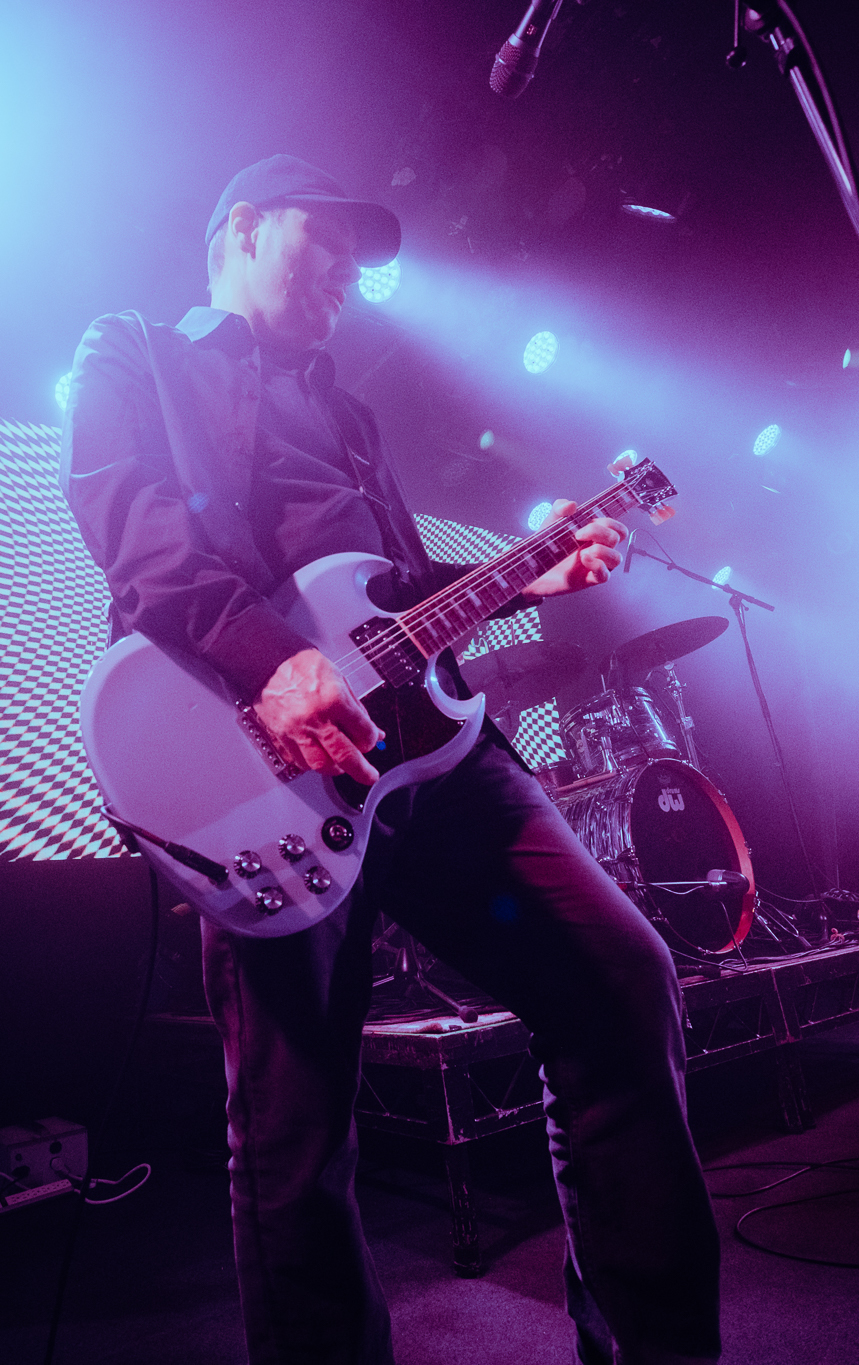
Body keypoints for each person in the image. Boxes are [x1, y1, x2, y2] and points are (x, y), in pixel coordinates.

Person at [62, 154, 722, 1364]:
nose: (347, 278)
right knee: (294, 1123)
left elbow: (393, 599)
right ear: (242, 228)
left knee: (619, 982)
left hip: (428, 758)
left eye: (359, 264)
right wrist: (268, 659)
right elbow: (130, 527)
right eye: (325, 245)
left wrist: (527, 577)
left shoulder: (347, 412)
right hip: (258, 763)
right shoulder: (135, 352)